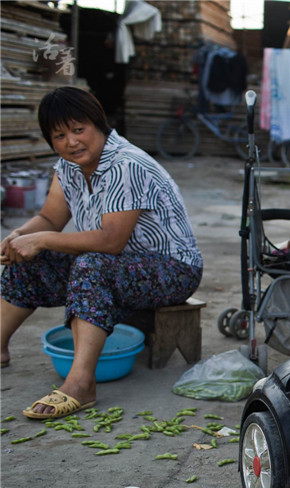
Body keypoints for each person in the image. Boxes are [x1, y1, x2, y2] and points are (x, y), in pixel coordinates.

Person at [0, 87, 203, 419]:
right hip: (120, 264)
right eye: (60, 135)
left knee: (91, 265)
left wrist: (43, 239)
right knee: (30, 256)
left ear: (99, 124)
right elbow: (51, 218)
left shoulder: (126, 164)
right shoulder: (67, 167)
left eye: (79, 130)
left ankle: (81, 382)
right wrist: (20, 236)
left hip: (174, 269)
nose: (72, 142)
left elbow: (111, 242)